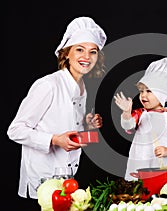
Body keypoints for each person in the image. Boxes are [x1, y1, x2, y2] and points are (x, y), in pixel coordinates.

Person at [7, 16, 106, 204]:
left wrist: (88, 126)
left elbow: (66, 124)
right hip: (42, 179)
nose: (86, 57)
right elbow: (15, 130)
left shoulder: (82, 87)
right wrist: (54, 140)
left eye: (93, 52)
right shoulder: (48, 85)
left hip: (67, 178)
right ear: (66, 53)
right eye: (79, 49)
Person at [114, 57, 167, 181]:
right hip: (140, 164)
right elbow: (128, 125)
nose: (143, 95)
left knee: (164, 193)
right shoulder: (139, 114)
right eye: (141, 91)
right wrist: (126, 112)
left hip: (164, 166)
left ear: (162, 94)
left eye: (149, 91)